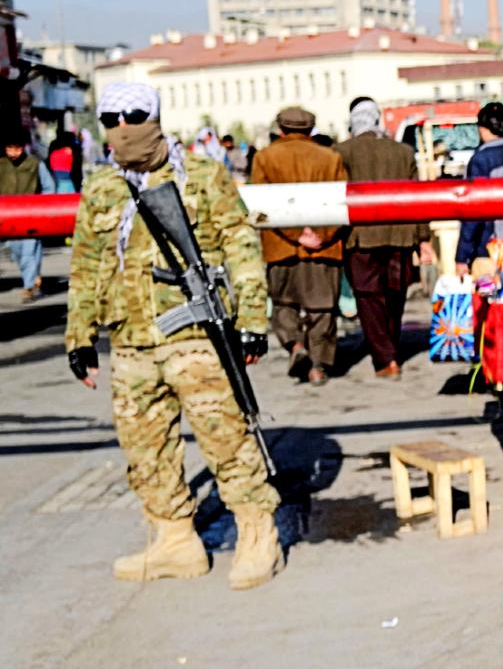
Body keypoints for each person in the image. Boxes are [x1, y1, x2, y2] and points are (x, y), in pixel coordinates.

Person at [65, 81, 281, 590]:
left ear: (156, 117)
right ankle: (174, 540)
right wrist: (79, 336)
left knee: (226, 439)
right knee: (146, 449)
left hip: (195, 336)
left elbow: (241, 244)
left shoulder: (201, 175)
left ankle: (257, 533)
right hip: (131, 341)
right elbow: (87, 265)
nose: (123, 128)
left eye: (134, 115)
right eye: (111, 120)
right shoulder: (102, 187)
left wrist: (252, 319)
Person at [333, 96, 436, 380]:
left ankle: (385, 358)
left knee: (369, 300)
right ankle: (390, 348)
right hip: (399, 236)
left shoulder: (341, 152)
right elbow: (417, 199)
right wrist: (423, 239)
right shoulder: (402, 152)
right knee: (394, 296)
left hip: (360, 238)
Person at [250, 107, 349, 386]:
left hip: (281, 247)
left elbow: (259, 206)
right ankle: (318, 366)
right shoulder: (331, 157)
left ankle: (295, 345)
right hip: (323, 247)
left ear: (281, 130)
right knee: (322, 309)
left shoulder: (264, 158)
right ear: (310, 130)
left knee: (284, 305)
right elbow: (341, 201)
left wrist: (295, 234)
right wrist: (321, 235)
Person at [454, 101, 503, 280]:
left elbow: (473, 210)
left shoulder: (480, 160)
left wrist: (462, 255)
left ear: (483, 129)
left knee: (488, 295)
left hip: (489, 248)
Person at [1, 130, 48, 301]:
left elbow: (48, 187)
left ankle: (29, 286)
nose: (13, 152)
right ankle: (34, 278)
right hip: (10, 219)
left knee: (29, 251)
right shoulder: (1, 165)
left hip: (31, 216)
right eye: (10, 148)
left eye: (17, 148)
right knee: (17, 252)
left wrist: (43, 209)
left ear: (23, 147)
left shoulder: (35, 164)